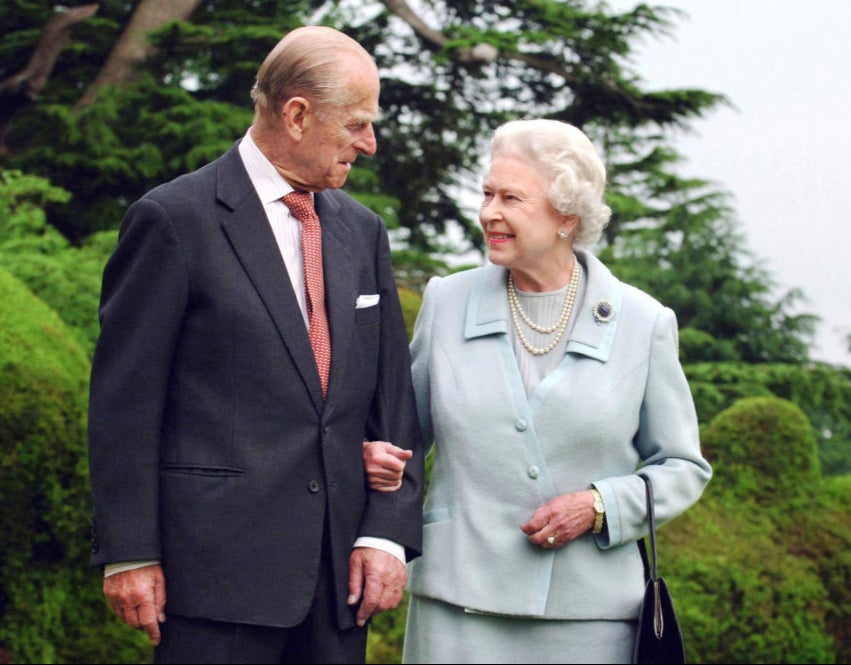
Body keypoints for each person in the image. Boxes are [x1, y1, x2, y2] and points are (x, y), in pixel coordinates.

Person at [87, 25, 424, 664]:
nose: (370, 144)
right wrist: (129, 552)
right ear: (297, 114)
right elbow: (123, 406)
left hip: (338, 585)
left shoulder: (363, 230)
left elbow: (392, 401)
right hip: (213, 581)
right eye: (357, 123)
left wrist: (387, 535)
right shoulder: (172, 220)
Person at [400, 118, 713, 664]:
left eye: (511, 198)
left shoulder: (643, 322)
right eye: (487, 194)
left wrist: (599, 505)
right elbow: (399, 443)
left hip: (590, 619)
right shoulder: (446, 303)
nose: (489, 213)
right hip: (457, 609)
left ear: (567, 215)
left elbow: (683, 466)